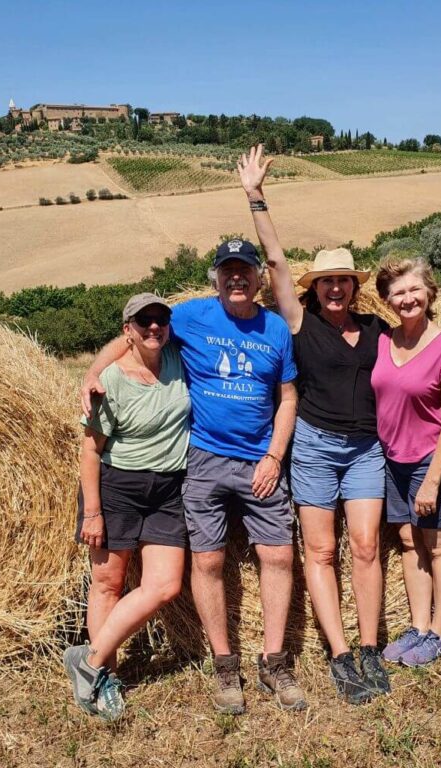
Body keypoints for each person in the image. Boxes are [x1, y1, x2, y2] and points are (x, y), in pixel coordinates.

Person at [81, 240, 306, 714]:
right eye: (228, 271)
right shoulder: (188, 316)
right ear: (217, 279)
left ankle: (274, 661)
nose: (237, 278)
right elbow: (136, 334)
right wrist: (92, 372)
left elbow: (288, 396)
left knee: (279, 554)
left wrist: (275, 455)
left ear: (258, 278)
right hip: (202, 460)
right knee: (205, 563)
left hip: (259, 460)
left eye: (245, 270)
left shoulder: (276, 330)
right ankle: (225, 666)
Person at [238, 145, 390, 704]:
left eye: (342, 280)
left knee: (368, 545)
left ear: (354, 286)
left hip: (367, 450)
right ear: (313, 287)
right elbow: (274, 261)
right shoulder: (298, 321)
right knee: (321, 552)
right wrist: (256, 196)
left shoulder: (376, 328)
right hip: (316, 447)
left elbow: (422, 351)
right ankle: (341, 655)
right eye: (325, 281)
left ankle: (371, 650)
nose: (334, 288)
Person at [63, 293, 191, 721]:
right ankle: (105, 679)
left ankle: (88, 661)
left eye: (160, 319)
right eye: (143, 321)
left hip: (168, 490)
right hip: (117, 488)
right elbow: (90, 450)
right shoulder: (111, 382)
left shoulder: (176, 357)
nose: (153, 327)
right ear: (127, 330)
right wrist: (93, 511)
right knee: (107, 585)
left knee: (165, 584)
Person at [372, 257, 441, 667]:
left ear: (429, 292)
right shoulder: (383, 340)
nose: (407, 298)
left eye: (414, 289)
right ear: (386, 300)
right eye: (398, 292)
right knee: (410, 542)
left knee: (440, 544)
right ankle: (419, 627)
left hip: (432, 459)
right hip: (394, 459)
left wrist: (431, 481)